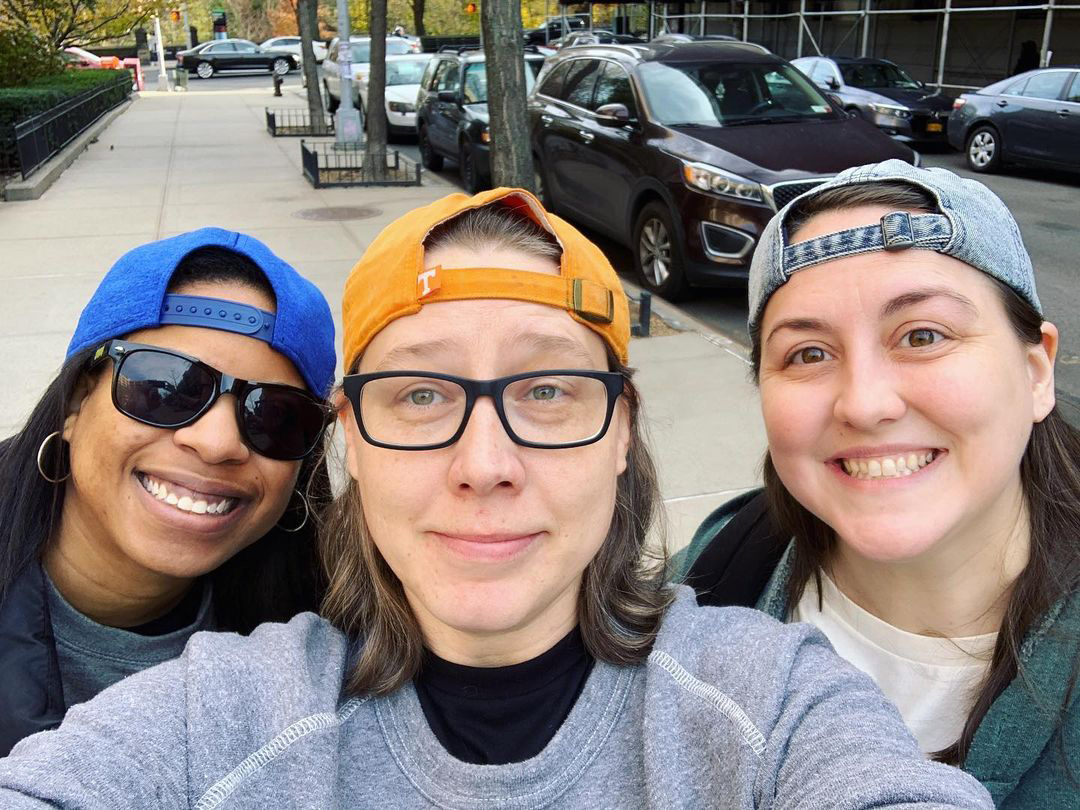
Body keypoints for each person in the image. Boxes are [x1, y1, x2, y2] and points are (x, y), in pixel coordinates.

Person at [0, 190, 991, 808]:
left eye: (549, 391)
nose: (485, 461)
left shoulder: (769, 705)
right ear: (350, 439)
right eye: (421, 393)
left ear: (622, 435)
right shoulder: (225, 711)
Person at [679, 160, 1079, 806]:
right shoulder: (712, 577)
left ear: (1036, 373)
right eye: (808, 353)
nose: (864, 405)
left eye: (923, 335)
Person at [0, 228, 335, 756]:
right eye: (167, 386)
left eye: (274, 415)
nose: (217, 443)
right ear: (75, 403)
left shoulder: (331, 632)